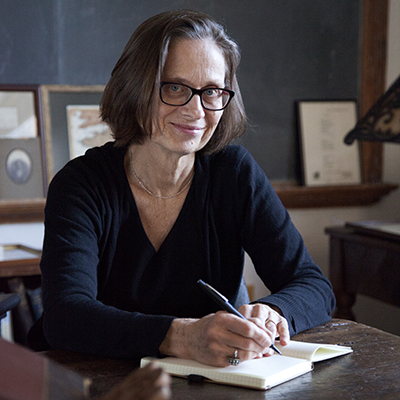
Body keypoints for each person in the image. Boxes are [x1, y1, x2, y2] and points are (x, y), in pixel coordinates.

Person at [29, 9, 335, 368]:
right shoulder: (80, 184)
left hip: (203, 383)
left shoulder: (234, 173)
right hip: (91, 379)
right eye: (175, 87)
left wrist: (274, 311)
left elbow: (313, 286)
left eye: (212, 92)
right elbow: (66, 316)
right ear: (135, 87)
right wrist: (182, 337)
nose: (196, 110)